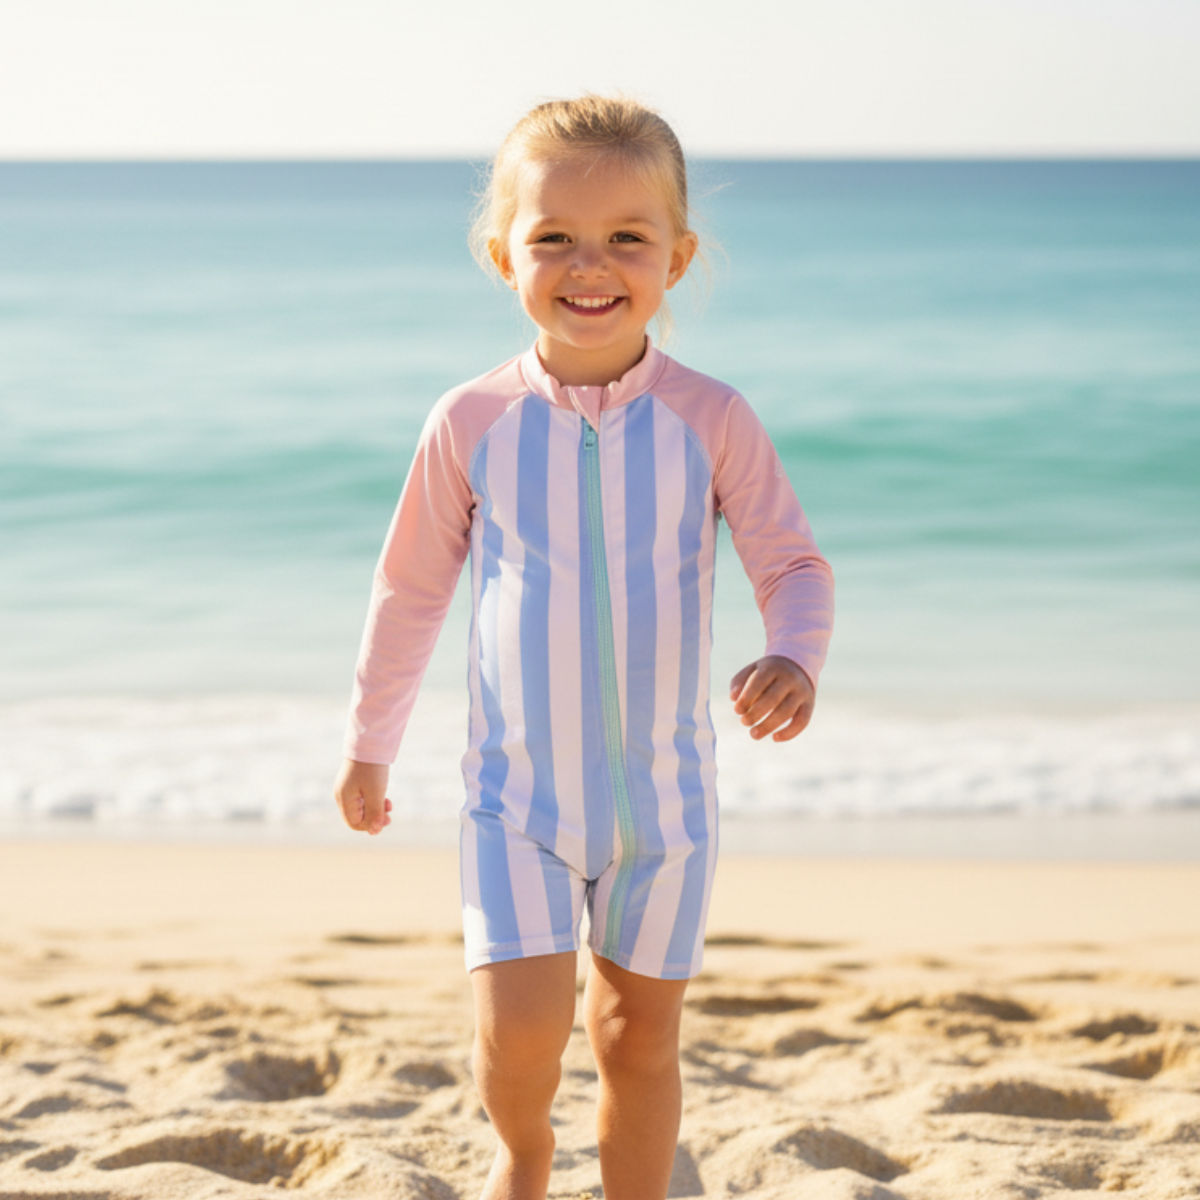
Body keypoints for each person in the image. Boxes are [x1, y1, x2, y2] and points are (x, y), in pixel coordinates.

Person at [333, 95, 834, 1200]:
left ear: (677, 258)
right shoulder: (471, 421)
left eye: (627, 238)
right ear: (501, 253)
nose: (589, 265)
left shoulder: (712, 418)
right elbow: (410, 590)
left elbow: (792, 564)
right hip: (516, 800)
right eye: (554, 235)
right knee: (519, 1037)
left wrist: (793, 655)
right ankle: (524, 1152)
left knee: (635, 1036)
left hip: (666, 804)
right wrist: (371, 743)